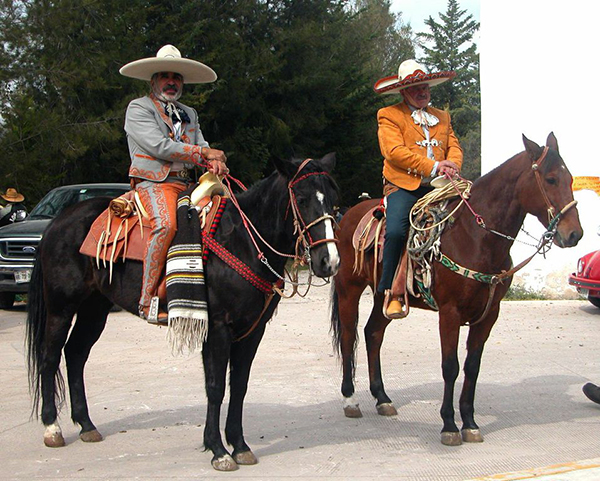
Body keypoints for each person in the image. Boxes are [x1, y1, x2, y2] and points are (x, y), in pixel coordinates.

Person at [119, 45, 228, 322]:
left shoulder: (189, 112)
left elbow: (201, 143)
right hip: (154, 182)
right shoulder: (138, 108)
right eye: (165, 76)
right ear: (153, 81)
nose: (171, 82)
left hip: (188, 184)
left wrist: (214, 162)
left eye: (176, 77)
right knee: (166, 224)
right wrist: (203, 153)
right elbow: (159, 147)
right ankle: (147, 301)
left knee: (229, 215)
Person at [373, 59, 463, 319]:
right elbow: (394, 153)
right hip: (404, 186)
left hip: (442, 186)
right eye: (415, 88)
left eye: (425, 87)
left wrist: (452, 166)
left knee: (471, 218)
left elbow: (454, 147)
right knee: (398, 231)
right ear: (403, 92)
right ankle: (389, 289)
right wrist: (435, 166)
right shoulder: (389, 115)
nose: (422, 92)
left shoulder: (443, 116)